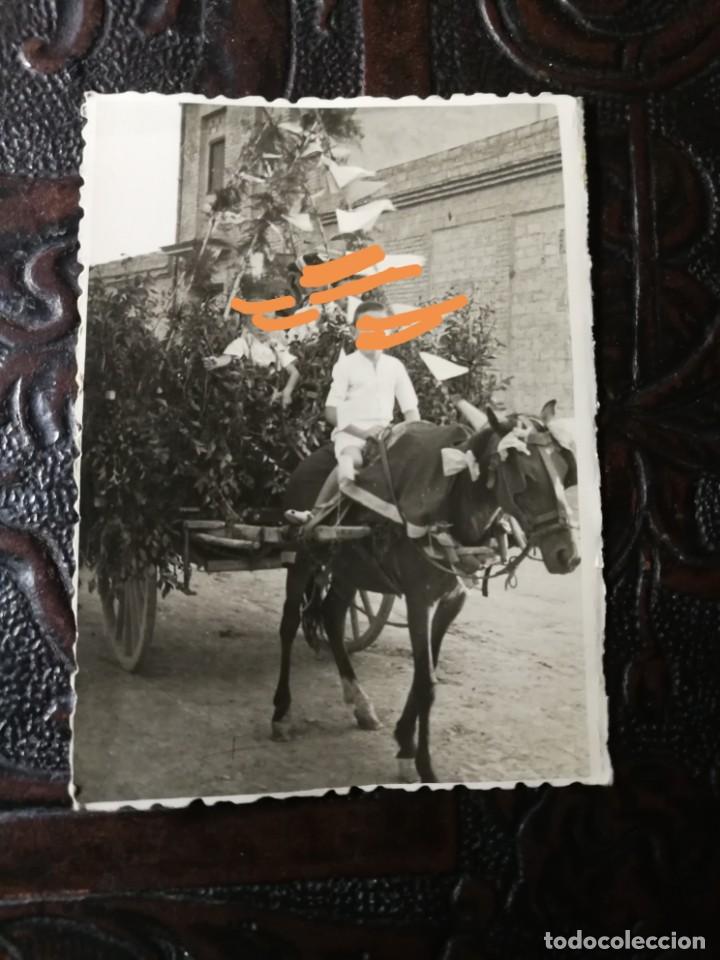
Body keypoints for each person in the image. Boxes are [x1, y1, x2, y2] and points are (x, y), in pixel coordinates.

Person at [285, 300, 420, 525]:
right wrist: (364, 433)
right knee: (351, 460)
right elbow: (331, 411)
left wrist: (405, 433)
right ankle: (316, 513)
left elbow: (411, 411)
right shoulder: (346, 366)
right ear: (355, 331)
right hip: (352, 434)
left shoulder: (395, 366)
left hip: (385, 436)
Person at [203, 323, 301, 409]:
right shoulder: (244, 342)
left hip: (268, 397)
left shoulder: (276, 346)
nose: (261, 328)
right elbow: (229, 357)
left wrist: (287, 391)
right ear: (250, 325)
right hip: (245, 396)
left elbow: (294, 373)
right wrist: (217, 362)